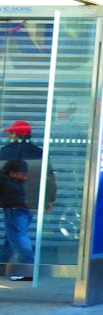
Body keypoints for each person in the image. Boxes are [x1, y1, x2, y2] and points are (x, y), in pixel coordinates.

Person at [0, 120, 50, 283]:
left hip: (14, 201)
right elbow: (49, 178)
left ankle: (27, 268)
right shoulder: (39, 152)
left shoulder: (6, 152)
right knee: (12, 235)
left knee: (18, 235)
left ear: (15, 135)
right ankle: (2, 264)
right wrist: (47, 199)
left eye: (11, 133)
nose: (9, 136)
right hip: (32, 201)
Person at [0, 158, 31, 283]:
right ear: (12, 173)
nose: (25, 178)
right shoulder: (8, 181)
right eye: (23, 174)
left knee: (18, 239)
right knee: (11, 240)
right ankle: (2, 265)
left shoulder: (5, 181)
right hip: (21, 209)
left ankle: (26, 270)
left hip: (15, 210)